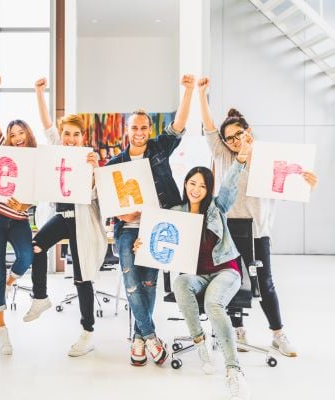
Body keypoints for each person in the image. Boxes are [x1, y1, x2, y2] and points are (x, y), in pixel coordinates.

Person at [197, 77, 318, 357]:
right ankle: (238, 330)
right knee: (232, 281)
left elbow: (288, 187)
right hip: (228, 231)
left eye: (240, 134)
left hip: (258, 231)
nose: (235, 140)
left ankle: (278, 333)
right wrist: (202, 94)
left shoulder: (269, 158)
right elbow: (209, 128)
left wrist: (306, 183)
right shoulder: (223, 156)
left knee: (265, 283)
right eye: (230, 138)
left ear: (248, 131)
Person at [105, 75, 195, 366]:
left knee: (148, 284)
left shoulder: (158, 149)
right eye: (135, 127)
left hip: (157, 228)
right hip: (128, 229)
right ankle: (151, 337)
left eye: (144, 127)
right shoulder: (114, 164)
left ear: (149, 129)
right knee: (131, 284)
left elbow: (179, 125)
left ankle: (138, 340)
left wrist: (189, 90)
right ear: (127, 130)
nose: (140, 131)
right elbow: (108, 203)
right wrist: (121, 214)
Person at [147, 148, 250, 399]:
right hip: (197, 275)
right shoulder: (177, 212)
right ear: (186, 184)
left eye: (202, 186)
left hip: (225, 270)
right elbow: (158, 238)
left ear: (208, 190)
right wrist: (144, 245)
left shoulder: (217, 207)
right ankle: (199, 342)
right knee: (180, 283)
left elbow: (228, 186)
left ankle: (233, 370)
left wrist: (239, 161)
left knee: (213, 304)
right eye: (192, 183)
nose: (196, 189)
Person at [24, 77, 107, 357]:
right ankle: (40, 297)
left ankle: (88, 332)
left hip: (82, 221)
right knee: (35, 246)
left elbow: (99, 197)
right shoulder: (58, 151)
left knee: (83, 279)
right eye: (67, 134)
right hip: (62, 216)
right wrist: (39, 92)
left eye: (75, 134)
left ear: (83, 137)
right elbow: (47, 126)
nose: (71, 139)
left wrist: (96, 172)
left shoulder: (89, 159)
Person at [0, 75, 37, 355]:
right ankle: (1, 327)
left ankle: (8, 284)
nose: (16, 138)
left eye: (19, 133)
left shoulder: (36, 157)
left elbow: (40, 189)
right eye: (12, 135)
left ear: (27, 133)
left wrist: (25, 205)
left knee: (27, 256)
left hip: (19, 219)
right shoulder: (2, 147)